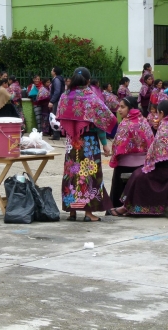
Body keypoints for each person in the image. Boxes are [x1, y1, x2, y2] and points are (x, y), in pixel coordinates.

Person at [110, 100, 168, 217]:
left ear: (161, 113)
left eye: (158, 113)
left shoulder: (165, 128)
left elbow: (156, 152)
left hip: (165, 169)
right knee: (138, 174)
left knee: (138, 176)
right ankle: (126, 207)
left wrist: (150, 165)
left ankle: (128, 207)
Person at [56, 67, 117, 222]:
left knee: (72, 174)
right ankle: (88, 213)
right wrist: (105, 144)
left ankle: (72, 211)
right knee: (89, 175)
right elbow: (101, 123)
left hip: (72, 142)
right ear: (89, 81)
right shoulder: (92, 98)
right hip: (89, 142)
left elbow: (61, 117)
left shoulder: (65, 96)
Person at [107, 96, 154, 210]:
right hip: (141, 166)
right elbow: (151, 142)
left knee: (117, 189)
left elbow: (117, 146)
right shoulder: (144, 121)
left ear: (130, 108)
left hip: (124, 166)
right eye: (119, 107)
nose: (119, 110)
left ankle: (115, 208)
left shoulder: (125, 123)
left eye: (122, 107)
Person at [48, 67, 65, 139]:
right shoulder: (59, 79)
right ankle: (57, 134)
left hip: (57, 101)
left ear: (54, 72)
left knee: (55, 117)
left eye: (52, 70)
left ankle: (56, 135)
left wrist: (52, 101)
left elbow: (57, 91)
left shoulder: (56, 80)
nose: (51, 71)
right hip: (59, 100)